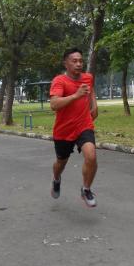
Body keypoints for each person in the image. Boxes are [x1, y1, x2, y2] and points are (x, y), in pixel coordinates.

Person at [49, 47, 98, 207]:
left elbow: (90, 90)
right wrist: (76, 95)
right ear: (66, 63)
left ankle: (86, 189)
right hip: (63, 130)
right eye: (74, 61)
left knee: (91, 156)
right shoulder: (59, 81)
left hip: (84, 124)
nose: (78, 64)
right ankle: (56, 179)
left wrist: (94, 105)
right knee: (60, 163)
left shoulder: (88, 78)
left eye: (80, 61)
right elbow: (54, 104)